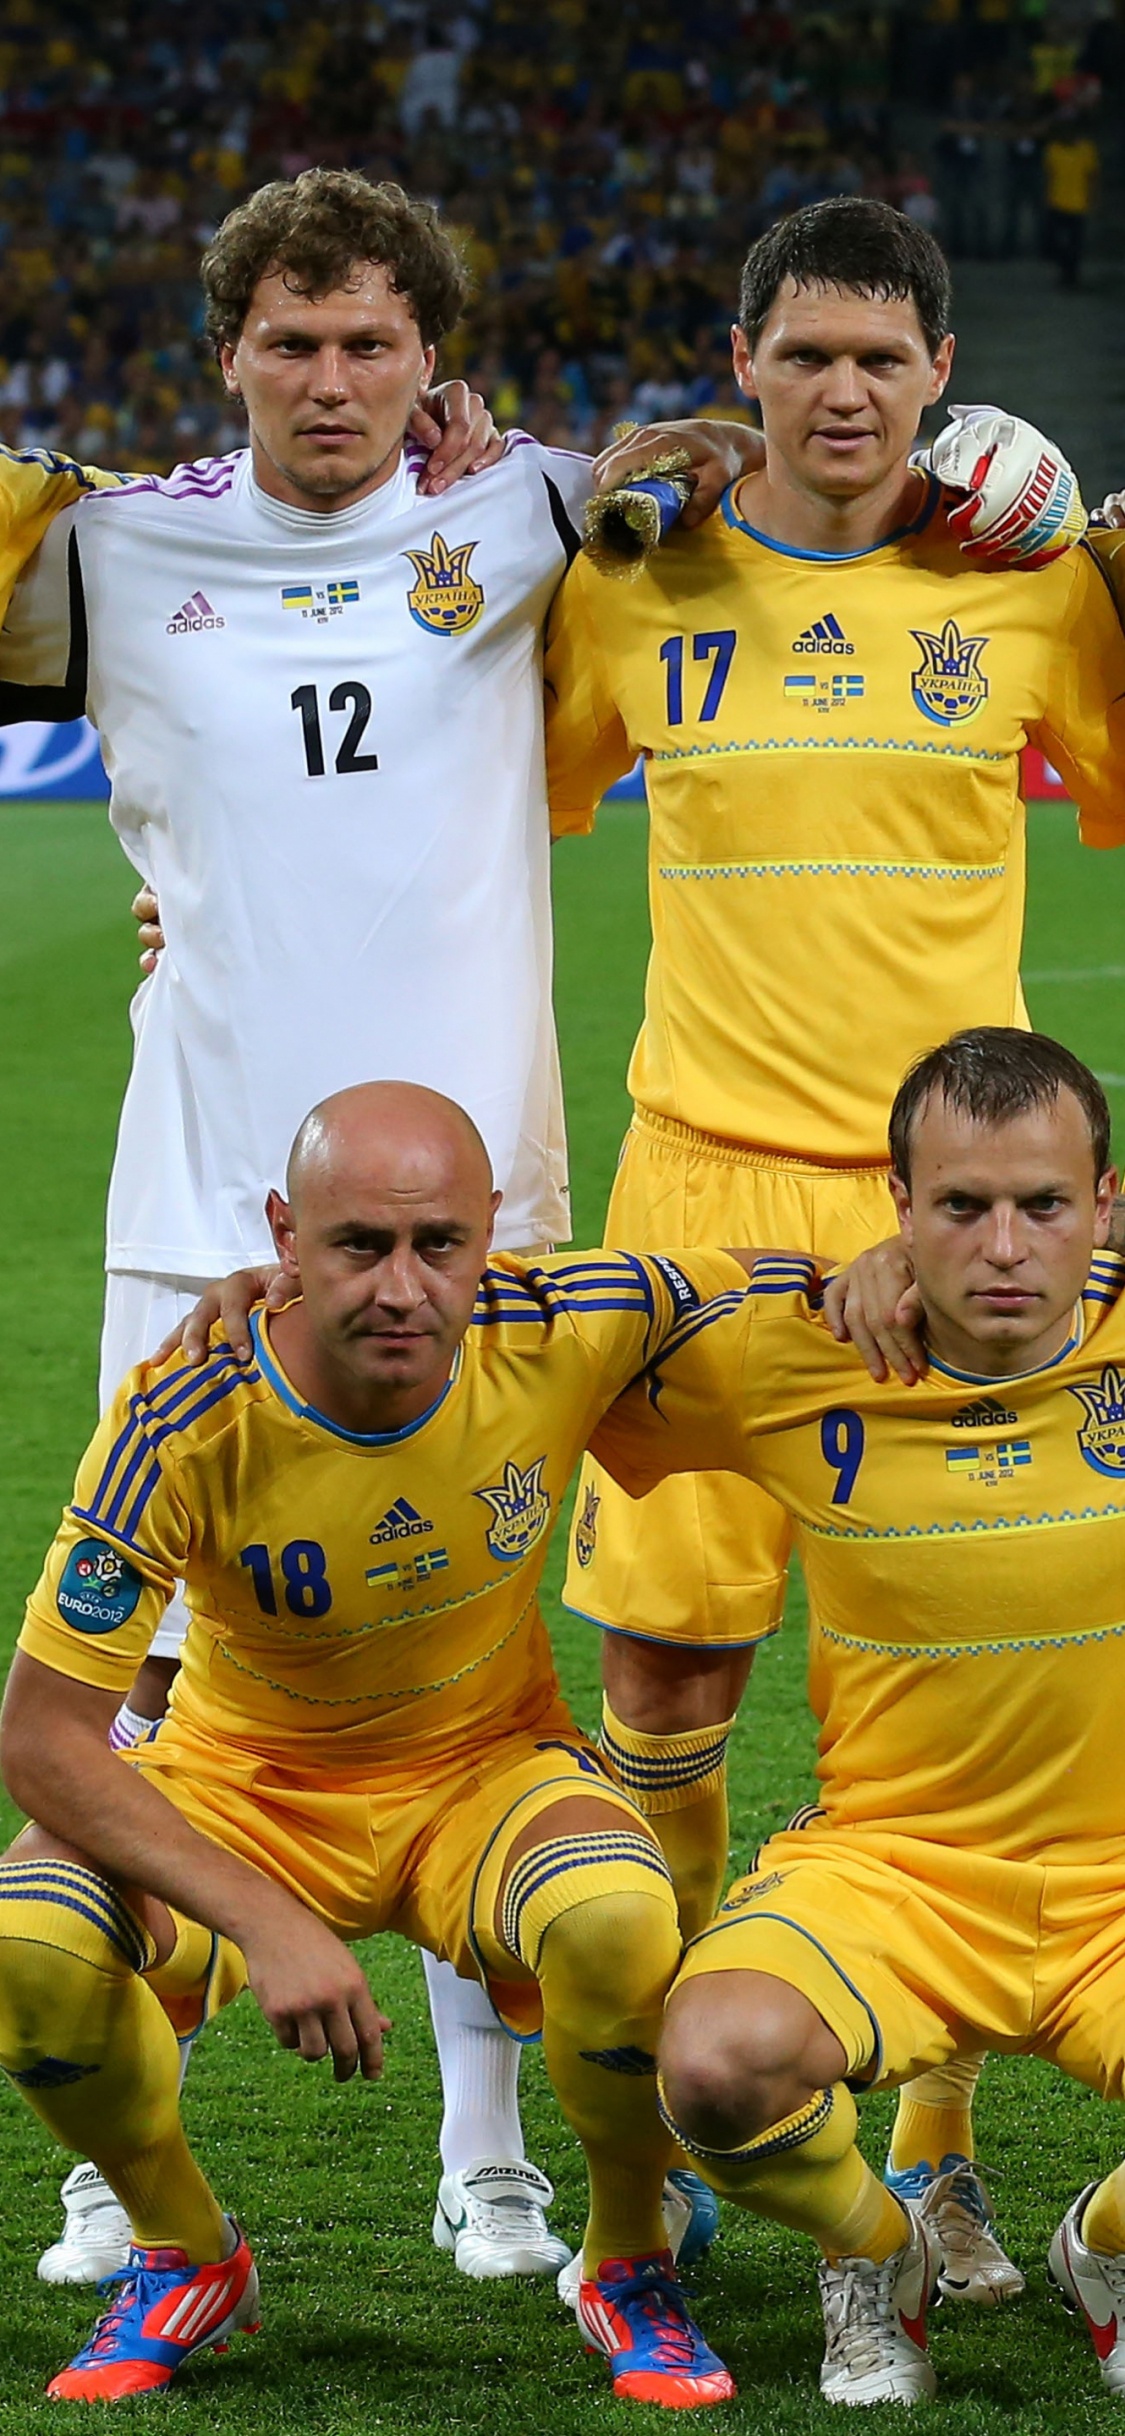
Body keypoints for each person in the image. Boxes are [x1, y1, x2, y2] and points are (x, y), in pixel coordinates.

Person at [0, 167, 763, 2287]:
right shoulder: (116, 552)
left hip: (478, 1230)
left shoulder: (519, 516)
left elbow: (693, 481)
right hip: (195, 1212)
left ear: (431, 356)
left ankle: (489, 2160)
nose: (330, 378)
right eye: (291, 339)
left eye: (370, 341)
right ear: (222, 352)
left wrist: (634, 458)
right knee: (149, 1702)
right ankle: (110, 2164)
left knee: (464, 1690)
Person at [545, 195, 1125, 2300]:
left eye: (882, 356)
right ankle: (672, 2142)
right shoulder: (639, 585)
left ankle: (939, 2157)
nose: (843, 391)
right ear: (743, 363)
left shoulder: (1037, 592)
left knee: (973, 1688)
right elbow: (464, 812)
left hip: (952, 1217)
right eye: (803, 355)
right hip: (699, 1204)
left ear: (938, 371)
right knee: (668, 1679)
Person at [0, 1080, 752, 2408]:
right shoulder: (183, 1411)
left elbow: (806, 1289)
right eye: (357, 1245)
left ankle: (627, 2262)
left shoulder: (563, 1319)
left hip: (485, 1776)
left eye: (438, 1245)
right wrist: (265, 1921)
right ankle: (183, 2252)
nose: (402, 1287)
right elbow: (46, 1739)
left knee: (620, 1914)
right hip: (244, 1790)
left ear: (490, 1235)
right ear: (284, 1237)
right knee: (28, 1944)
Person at [586, 1027, 1125, 2408]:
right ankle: (875, 2249)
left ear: (1101, 1209)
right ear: (896, 1210)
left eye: (1041, 1206)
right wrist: (275, 1292)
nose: (1002, 1245)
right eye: (957, 1207)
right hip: (892, 1872)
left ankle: (1099, 2247)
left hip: (1113, 1882)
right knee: (709, 2068)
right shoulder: (798, 1340)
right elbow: (503, 1318)